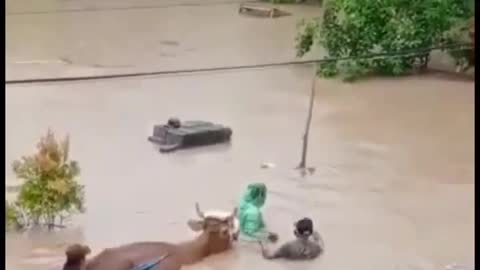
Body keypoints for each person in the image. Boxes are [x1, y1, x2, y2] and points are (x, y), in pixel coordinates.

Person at [258, 217, 324, 260]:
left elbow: (269, 256)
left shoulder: (288, 247)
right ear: (311, 232)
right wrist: (305, 227)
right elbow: (317, 237)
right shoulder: (317, 247)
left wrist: (262, 243)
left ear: (295, 233)